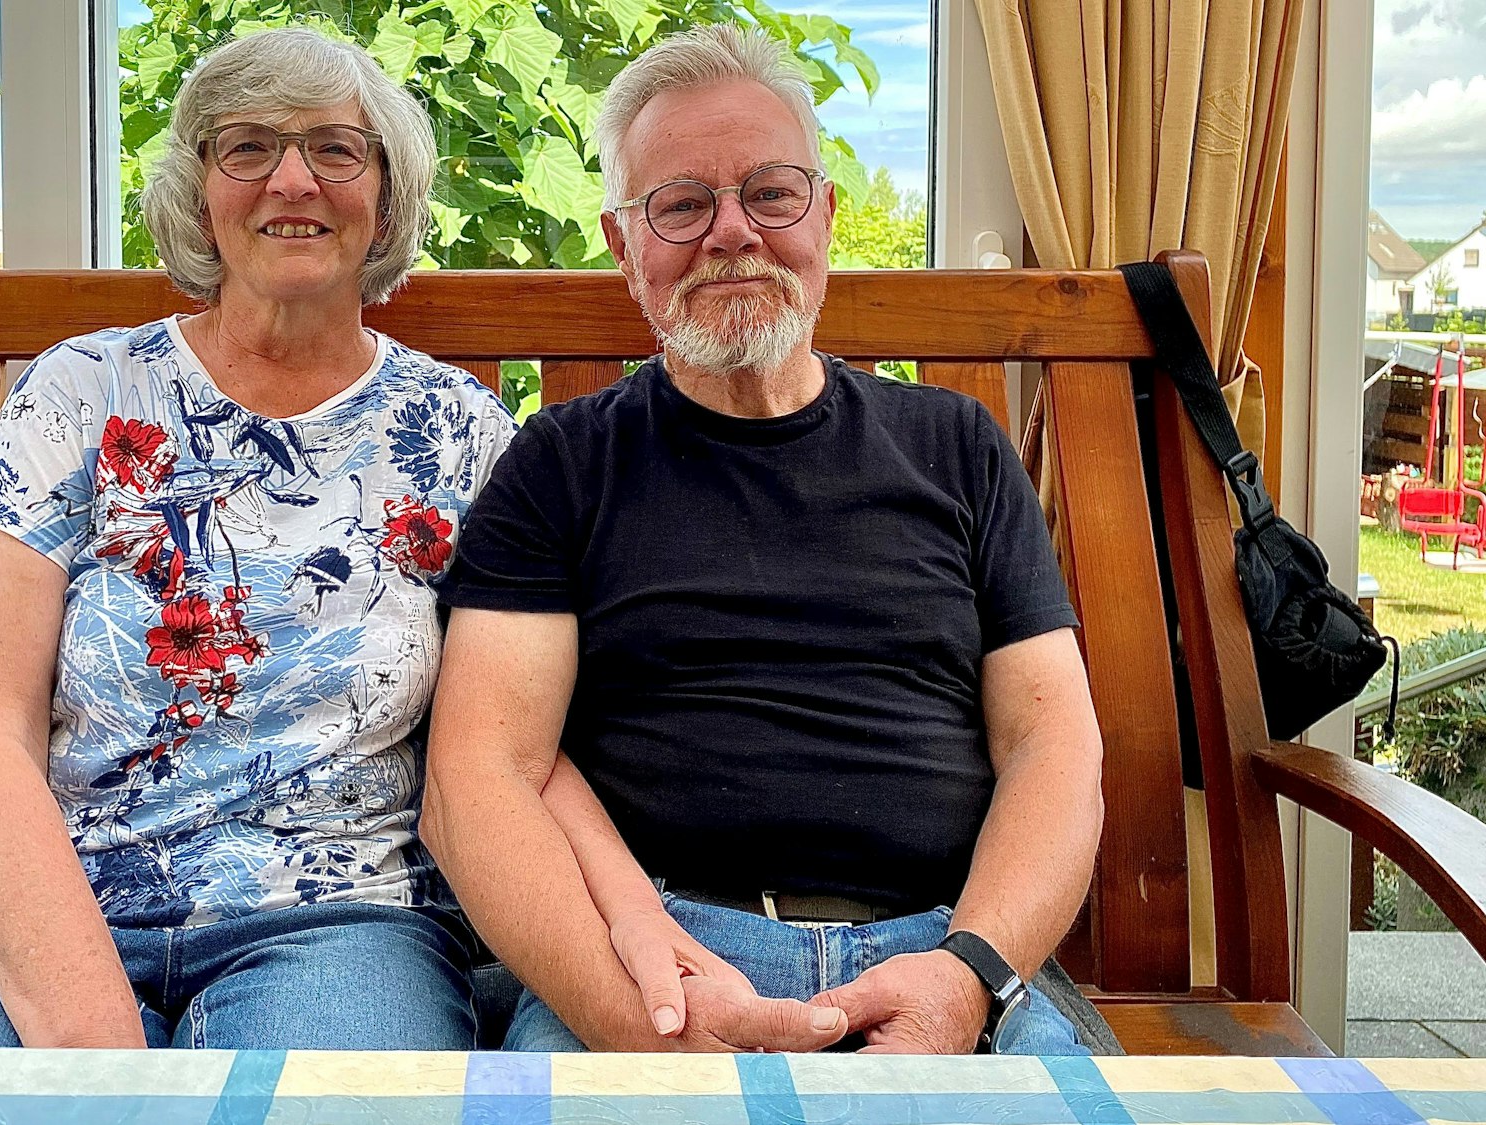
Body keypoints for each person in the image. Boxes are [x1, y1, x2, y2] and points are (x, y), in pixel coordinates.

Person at [422, 23, 1104, 1055]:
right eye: (680, 204)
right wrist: (638, 1017)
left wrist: (968, 975)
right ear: (623, 247)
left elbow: (1050, 744)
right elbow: (477, 778)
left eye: (770, 193)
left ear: (824, 214)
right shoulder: (559, 466)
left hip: (944, 945)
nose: (729, 232)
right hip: (659, 955)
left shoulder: (954, 447)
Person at [0, 26, 515, 1050]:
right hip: (59, 903)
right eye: (247, 147)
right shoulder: (83, 391)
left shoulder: (460, 431)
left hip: (340, 921)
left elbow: (499, 749)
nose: (291, 179)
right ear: (199, 191)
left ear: (385, 194)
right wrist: (93, 1046)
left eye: (335, 150)